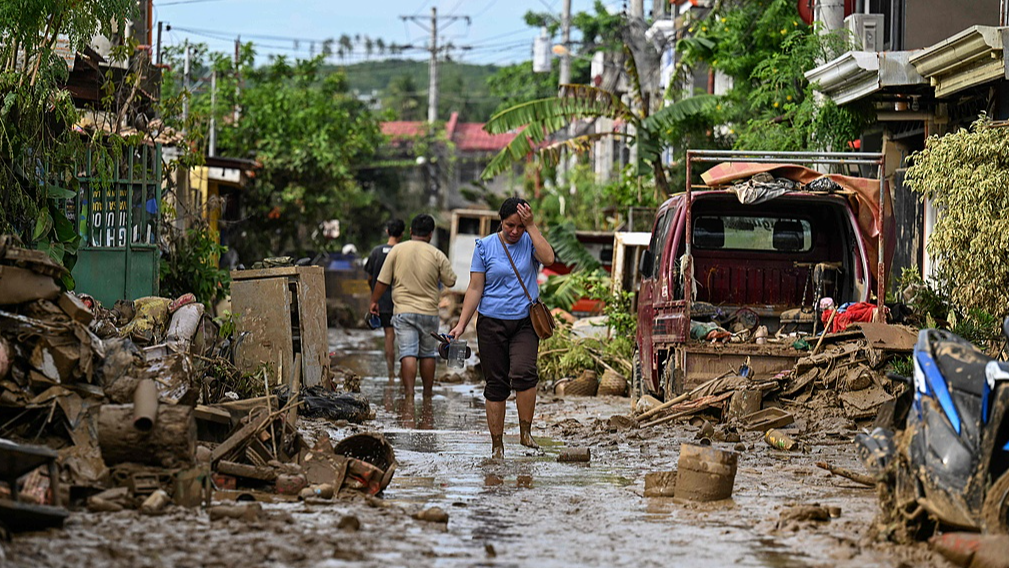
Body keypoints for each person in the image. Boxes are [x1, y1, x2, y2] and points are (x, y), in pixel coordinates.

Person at [449, 198, 555, 459]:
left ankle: (526, 433)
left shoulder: (530, 241)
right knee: (496, 384)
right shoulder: (484, 247)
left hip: (525, 322)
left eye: (520, 226)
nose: (515, 231)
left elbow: (549, 259)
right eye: (510, 225)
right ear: (501, 221)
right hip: (491, 323)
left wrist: (532, 226)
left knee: (524, 373)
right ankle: (497, 445)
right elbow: (475, 288)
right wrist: (461, 325)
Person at [370, 214, 456, 397]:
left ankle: (409, 394)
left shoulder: (397, 250)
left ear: (410, 231)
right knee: (427, 354)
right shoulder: (437, 254)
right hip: (429, 312)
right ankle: (427, 394)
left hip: (404, 312)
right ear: (430, 234)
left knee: (408, 352)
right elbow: (451, 281)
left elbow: (382, 281)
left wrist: (374, 301)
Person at [364, 218, 405, 380]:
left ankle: (391, 373)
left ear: (387, 231)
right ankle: (404, 371)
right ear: (402, 234)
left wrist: (375, 295)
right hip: (402, 300)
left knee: (389, 335)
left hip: (383, 302)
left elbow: (369, 277)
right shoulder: (403, 251)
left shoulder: (376, 252)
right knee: (405, 336)